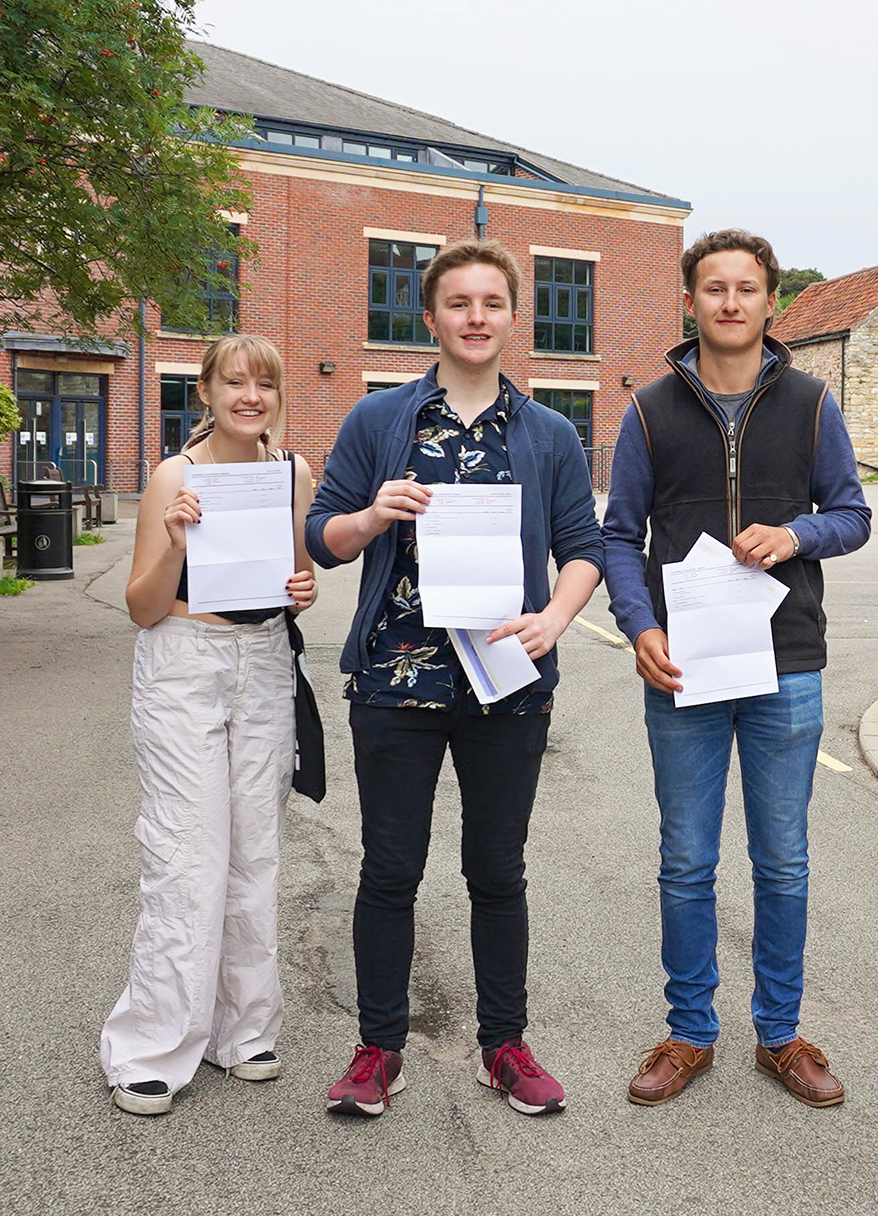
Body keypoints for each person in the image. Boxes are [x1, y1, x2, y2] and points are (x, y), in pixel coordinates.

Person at [305, 240, 604, 1118]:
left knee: (497, 871)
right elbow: (323, 538)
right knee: (389, 870)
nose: (477, 317)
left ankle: (504, 1045)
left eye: (493, 303)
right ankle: (377, 1050)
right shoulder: (379, 420)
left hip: (505, 682)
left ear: (514, 318)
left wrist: (554, 619)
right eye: (459, 303)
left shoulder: (549, 433)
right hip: (396, 685)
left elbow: (583, 548)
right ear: (430, 317)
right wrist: (371, 515)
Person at [603, 228, 871, 1108]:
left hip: (785, 659)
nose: (728, 302)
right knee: (685, 859)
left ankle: (781, 1034)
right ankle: (688, 1034)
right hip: (684, 664)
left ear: (768, 301)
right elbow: (617, 536)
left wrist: (796, 534)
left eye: (745, 289)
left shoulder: (812, 403)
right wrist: (639, 625)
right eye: (712, 288)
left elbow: (855, 514)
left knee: (783, 860)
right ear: (691, 301)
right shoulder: (647, 410)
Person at [100, 333, 319, 1116]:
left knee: (255, 853)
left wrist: (304, 589)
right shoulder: (175, 475)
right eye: (235, 382)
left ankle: (244, 1031)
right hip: (185, 660)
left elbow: (297, 579)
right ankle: (150, 1049)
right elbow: (141, 606)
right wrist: (174, 541)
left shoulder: (290, 472)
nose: (250, 395)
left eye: (264, 382)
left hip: (262, 663)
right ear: (206, 392)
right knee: (188, 856)